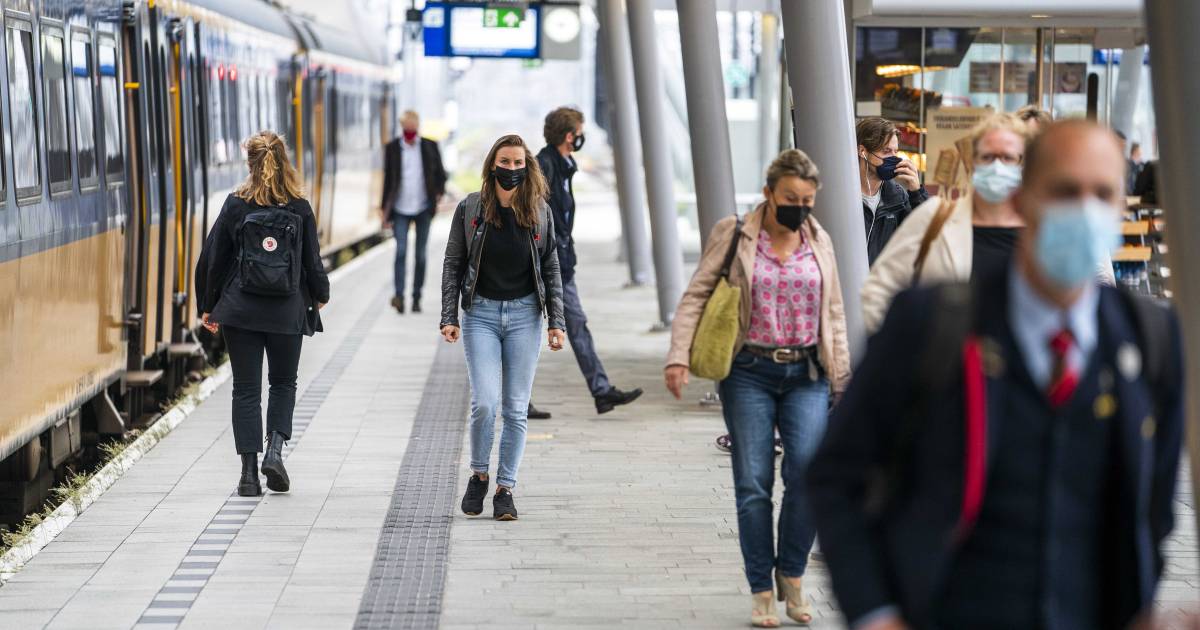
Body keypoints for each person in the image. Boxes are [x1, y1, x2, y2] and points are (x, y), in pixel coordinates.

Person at [808, 120, 1184, 630]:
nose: (1084, 209)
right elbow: (836, 476)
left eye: (1103, 193)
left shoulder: (1150, 340)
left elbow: (1153, 512)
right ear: (1025, 200)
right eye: (1065, 190)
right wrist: (875, 612)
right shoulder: (930, 323)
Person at [665, 149, 851, 627]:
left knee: (806, 476)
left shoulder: (819, 238)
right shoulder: (736, 234)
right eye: (791, 197)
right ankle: (761, 589)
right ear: (769, 193)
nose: (800, 207)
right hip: (747, 371)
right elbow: (697, 294)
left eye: (808, 199)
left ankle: (791, 573)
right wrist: (679, 356)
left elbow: (833, 313)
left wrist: (843, 380)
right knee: (753, 484)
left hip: (807, 373)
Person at [196, 131, 330, 497]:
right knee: (283, 384)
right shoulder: (299, 207)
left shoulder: (236, 204)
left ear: (250, 164)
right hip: (286, 311)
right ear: (285, 161)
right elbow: (313, 262)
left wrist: (208, 306)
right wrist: (320, 295)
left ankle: (248, 476)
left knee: (245, 390)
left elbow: (212, 260)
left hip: (241, 312)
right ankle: (275, 450)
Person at [440, 134, 566, 521]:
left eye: (517, 163)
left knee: (515, 410)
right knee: (485, 404)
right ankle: (479, 473)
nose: (511, 169)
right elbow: (453, 264)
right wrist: (449, 316)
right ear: (492, 165)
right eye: (504, 162)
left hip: (526, 316)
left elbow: (551, 267)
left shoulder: (539, 210)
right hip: (480, 315)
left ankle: (505, 489)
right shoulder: (471, 208)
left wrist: (556, 323)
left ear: (526, 167)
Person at [861, 113, 1029, 332]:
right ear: (972, 162)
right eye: (987, 157)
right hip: (941, 362)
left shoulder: (1042, 232)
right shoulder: (934, 217)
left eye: (1008, 158)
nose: (997, 167)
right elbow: (876, 293)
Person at [529, 106, 642, 417]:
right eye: (579, 132)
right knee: (528, 332)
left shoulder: (563, 165)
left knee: (576, 325)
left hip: (560, 265)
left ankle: (602, 392)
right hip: (544, 266)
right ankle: (517, 400)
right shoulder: (544, 167)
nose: (581, 138)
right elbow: (537, 218)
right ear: (570, 136)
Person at [380, 110, 447, 314]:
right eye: (406, 126)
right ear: (402, 127)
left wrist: (438, 193)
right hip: (400, 208)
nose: (409, 130)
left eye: (413, 126)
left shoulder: (429, 146)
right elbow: (388, 180)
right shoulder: (393, 148)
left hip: (423, 208)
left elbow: (441, 175)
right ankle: (399, 296)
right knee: (400, 252)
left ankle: (417, 297)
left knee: (421, 255)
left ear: (417, 126)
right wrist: (385, 210)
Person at [857, 117, 929, 265]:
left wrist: (916, 192)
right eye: (886, 151)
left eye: (895, 152)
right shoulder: (842, 194)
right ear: (862, 151)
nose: (893, 158)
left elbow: (926, 235)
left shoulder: (897, 196)